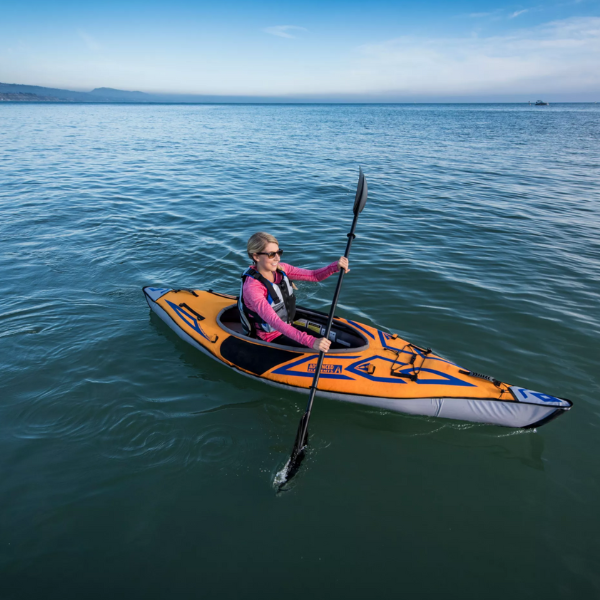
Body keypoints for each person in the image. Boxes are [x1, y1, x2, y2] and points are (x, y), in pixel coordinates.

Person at [238, 232, 349, 352]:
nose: (278, 258)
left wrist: (335, 267)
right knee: (321, 350)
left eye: (278, 252)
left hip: (288, 326)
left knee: (331, 346)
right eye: (271, 255)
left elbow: (314, 276)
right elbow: (275, 322)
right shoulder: (253, 288)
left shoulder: (281, 269)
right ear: (256, 256)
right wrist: (311, 342)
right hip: (270, 338)